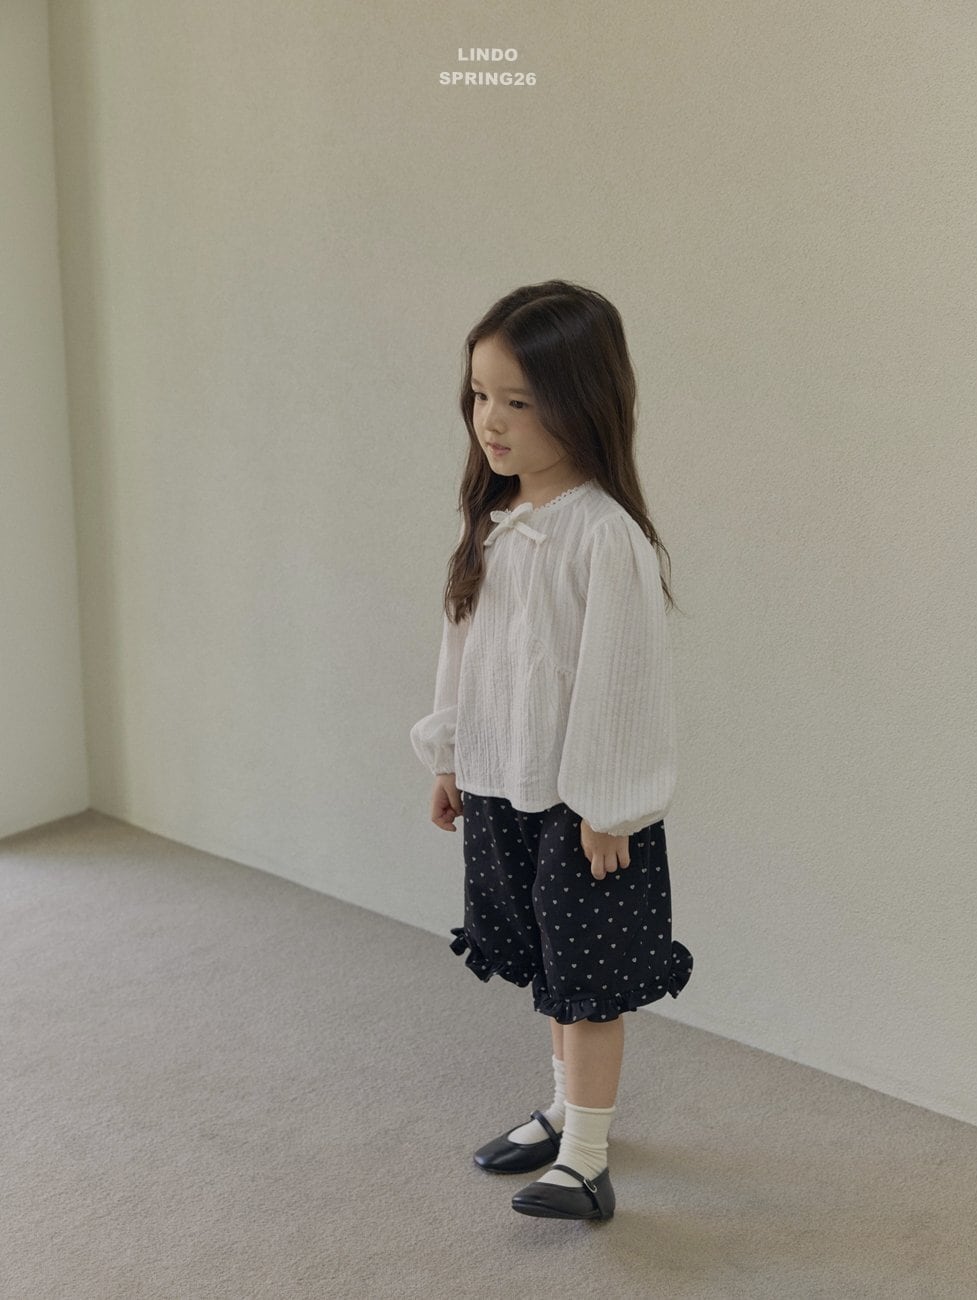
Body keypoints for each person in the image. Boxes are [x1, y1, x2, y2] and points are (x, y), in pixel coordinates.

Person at [409, 279, 694, 1223]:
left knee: (589, 983)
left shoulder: (604, 537)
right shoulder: (492, 522)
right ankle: (566, 1109)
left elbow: (623, 679)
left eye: (519, 402)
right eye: (480, 395)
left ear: (581, 402)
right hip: (504, 783)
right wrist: (450, 755)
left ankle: (586, 1162)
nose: (490, 421)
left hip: (583, 808)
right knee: (546, 964)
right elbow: (462, 648)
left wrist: (610, 805)